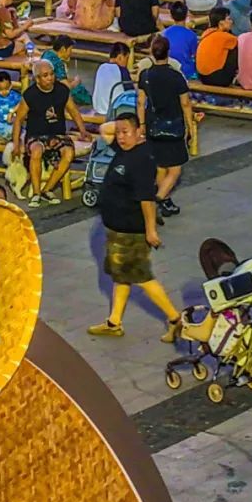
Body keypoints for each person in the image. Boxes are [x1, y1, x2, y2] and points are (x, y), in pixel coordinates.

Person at [87, 113, 182, 341]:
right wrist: (124, 125)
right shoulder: (124, 148)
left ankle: (175, 319)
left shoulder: (141, 159)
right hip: (117, 228)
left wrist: (151, 230)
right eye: (119, 132)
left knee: (142, 277)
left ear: (139, 132)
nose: (120, 137)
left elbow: (146, 199)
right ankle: (114, 322)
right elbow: (104, 130)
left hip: (131, 230)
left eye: (126, 132)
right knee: (121, 276)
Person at [10, 59, 88, 204]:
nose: (50, 78)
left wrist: (83, 131)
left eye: (52, 74)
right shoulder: (30, 95)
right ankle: (36, 192)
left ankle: (47, 189)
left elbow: (73, 111)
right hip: (36, 135)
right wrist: (16, 144)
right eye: (45, 75)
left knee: (68, 152)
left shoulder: (62, 90)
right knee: (36, 151)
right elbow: (18, 120)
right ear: (37, 79)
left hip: (58, 134)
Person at [138, 35, 196, 214]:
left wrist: (141, 124)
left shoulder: (145, 75)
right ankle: (158, 198)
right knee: (175, 169)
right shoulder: (176, 76)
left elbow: (140, 102)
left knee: (160, 166)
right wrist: (190, 125)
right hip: (173, 125)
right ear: (168, 52)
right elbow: (185, 103)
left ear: (152, 52)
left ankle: (164, 200)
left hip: (152, 124)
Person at [195, 7, 239, 87]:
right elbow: (241, 43)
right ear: (221, 22)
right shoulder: (224, 37)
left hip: (202, 77)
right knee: (236, 49)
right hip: (217, 79)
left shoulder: (206, 33)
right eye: (229, 19)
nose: (231, 22)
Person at [164, 0, 198, 78]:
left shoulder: (164, 33)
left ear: (171, 16)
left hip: (169, 70)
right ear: (187, 15)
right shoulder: (191, 35)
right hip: (187, 72)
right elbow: (195, 55)